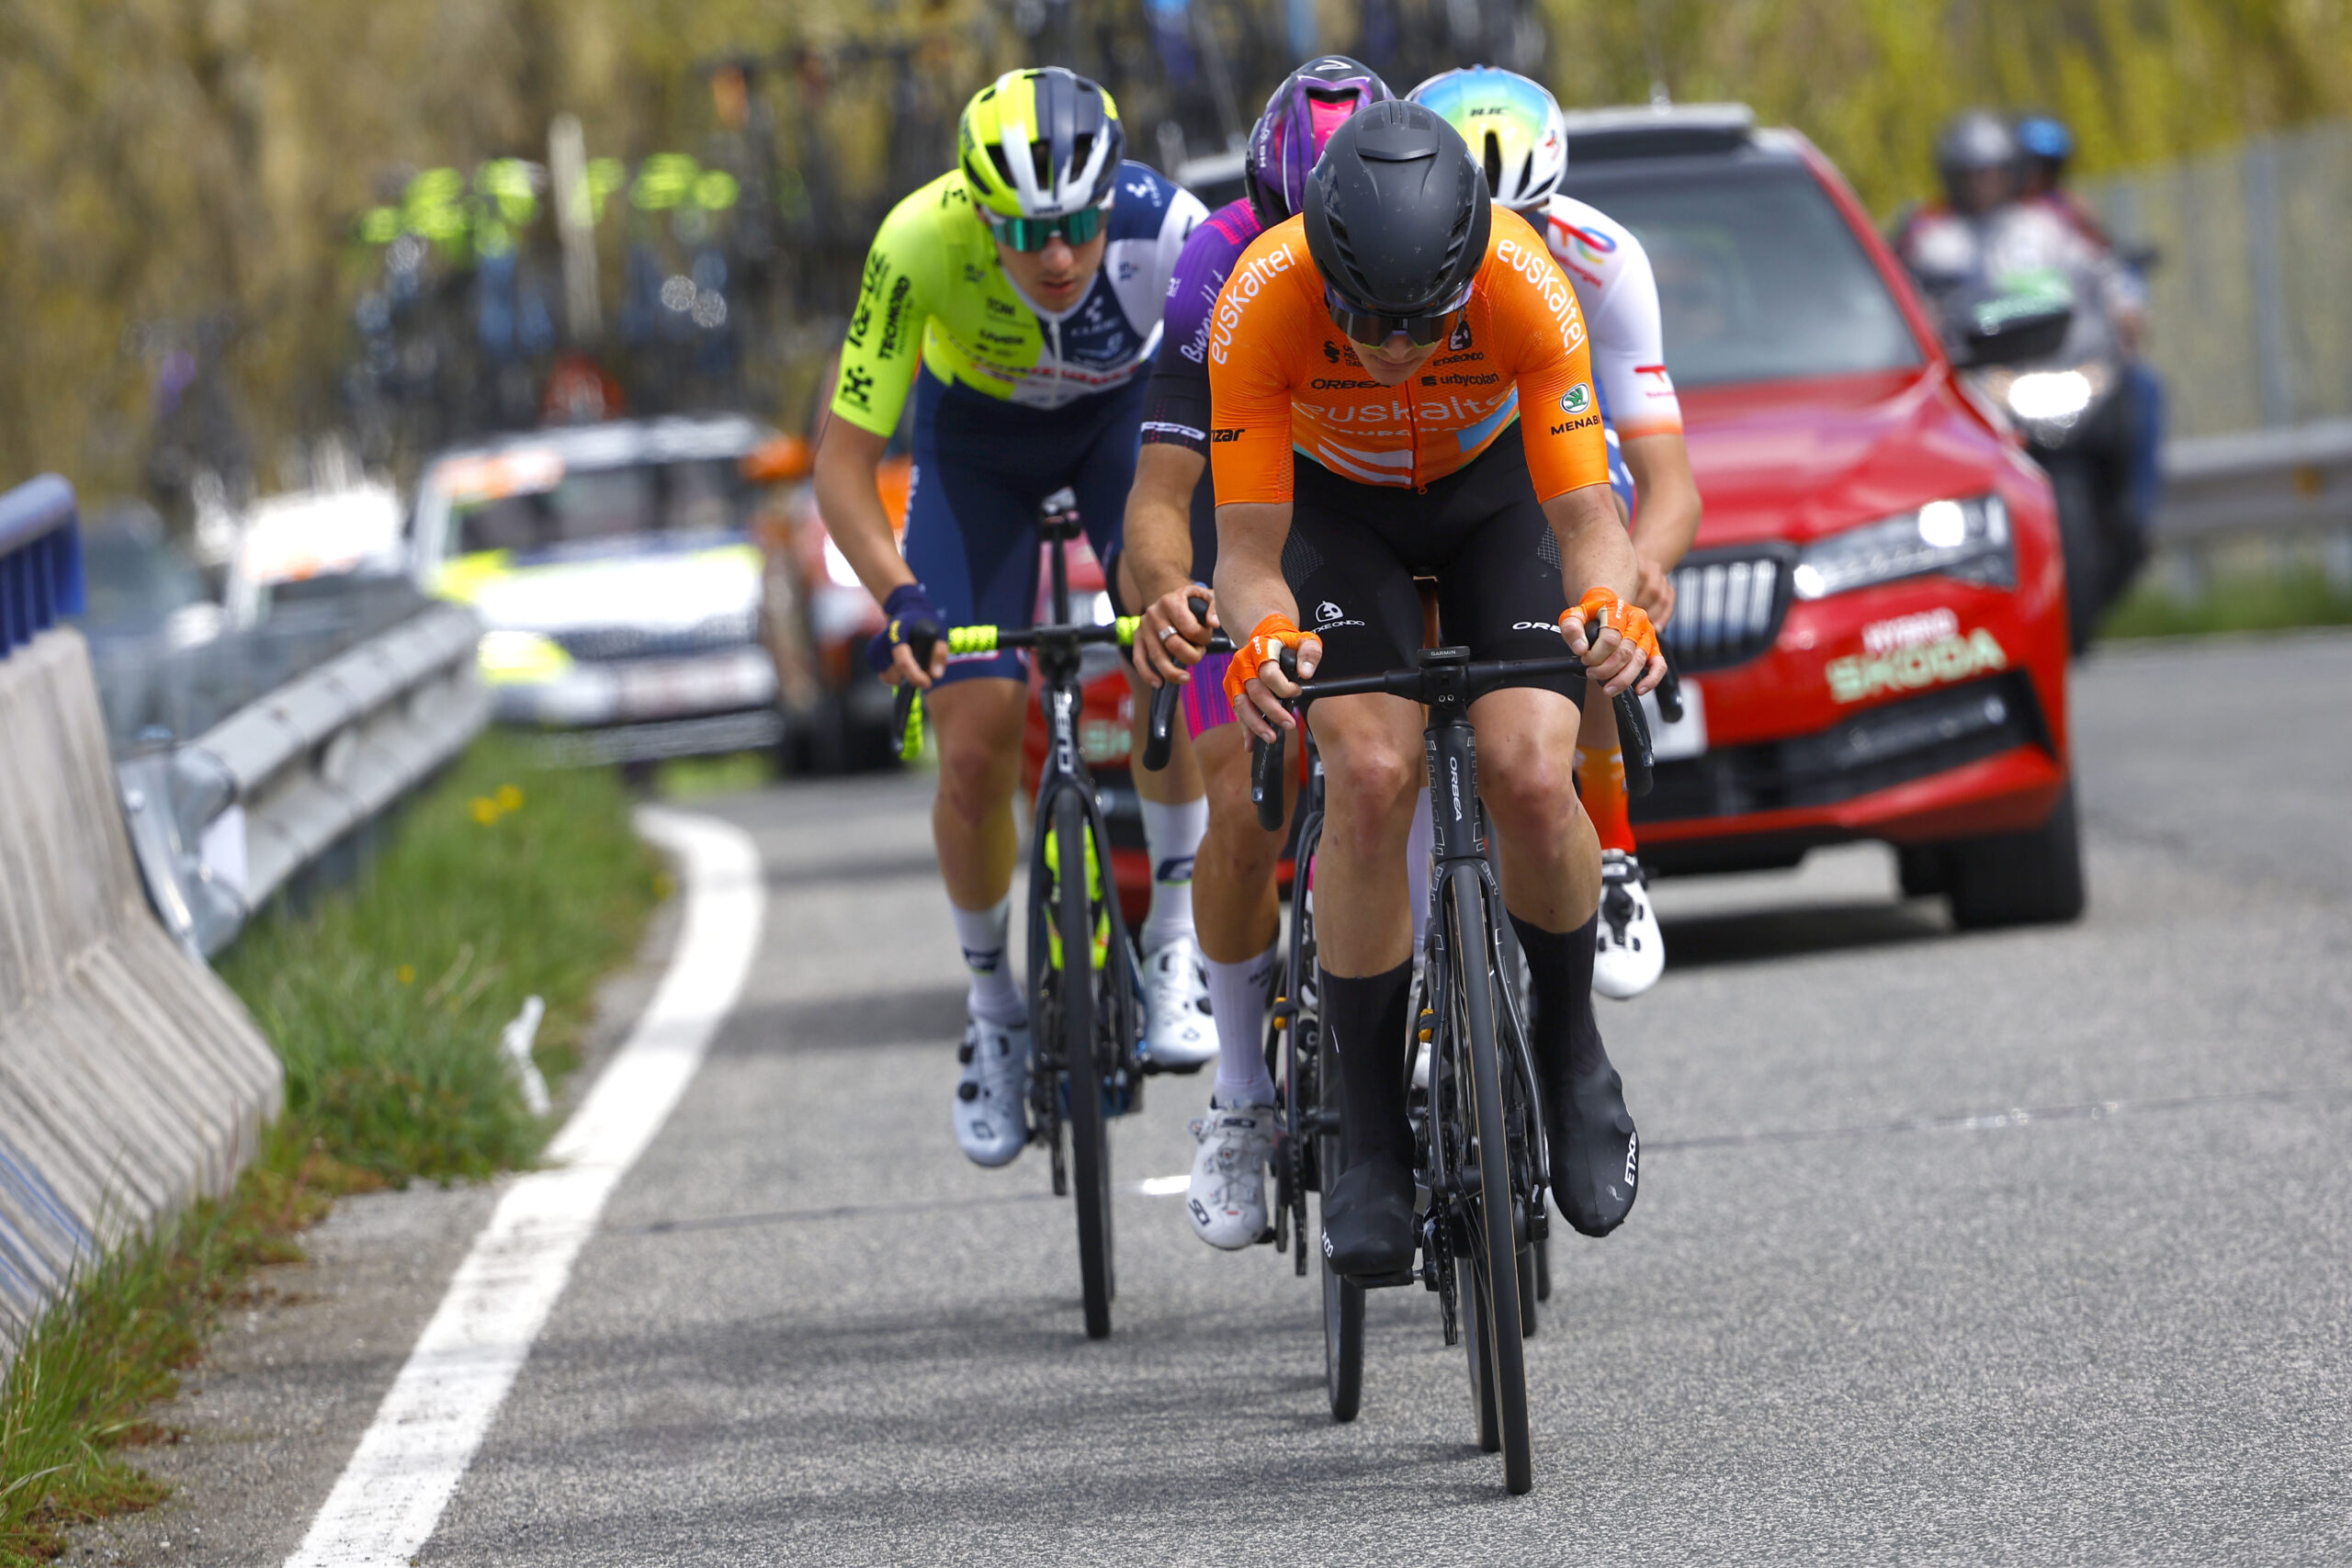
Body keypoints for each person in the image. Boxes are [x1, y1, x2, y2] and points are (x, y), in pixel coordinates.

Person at [1209, 101, 1667, 1275]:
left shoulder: (1525, 279)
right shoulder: (1262, 296)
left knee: (1526, 766)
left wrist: (1610, 610)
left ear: (1468, 269)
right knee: (1367, 774)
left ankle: (1570, 1050)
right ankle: (1369, 1134)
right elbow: (1249, 556)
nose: (1394, 346)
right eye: (1364, 318)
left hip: (1492, 497)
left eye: (1422, 319)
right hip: (1335, 514)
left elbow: (1586, 521)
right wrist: (1261, 642)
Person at [814, 68, 1208, 1168]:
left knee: (1165, 629)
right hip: (973, 449)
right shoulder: (916, 243)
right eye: (1028, 230)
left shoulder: (1165, 230)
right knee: (977, 741)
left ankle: (1174, 940)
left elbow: (1230, 410)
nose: (1058, 256)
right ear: (978, 211)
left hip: (1118, 427)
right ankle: (992, 1011)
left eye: (1079, 224)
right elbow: (843, 469)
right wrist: (900, 600)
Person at [1123, 56, 1394, 1250]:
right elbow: (1159, 490)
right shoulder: (1216, 267)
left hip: (1388, 501)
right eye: (1288, 228)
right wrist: (1167, 593)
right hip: (1259, 513)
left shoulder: (1428, 236)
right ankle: (1240, 1089)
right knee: (1241, 792)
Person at [1410, 65, 1702, 1001]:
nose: (1502, 250)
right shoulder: (1386, 255)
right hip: (1427, 455)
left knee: (1596, 579)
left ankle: (1612, 849)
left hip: (1550, 443)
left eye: (1524, 220)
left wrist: (1644, 566)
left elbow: (1667, 479)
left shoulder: (1600, 257)